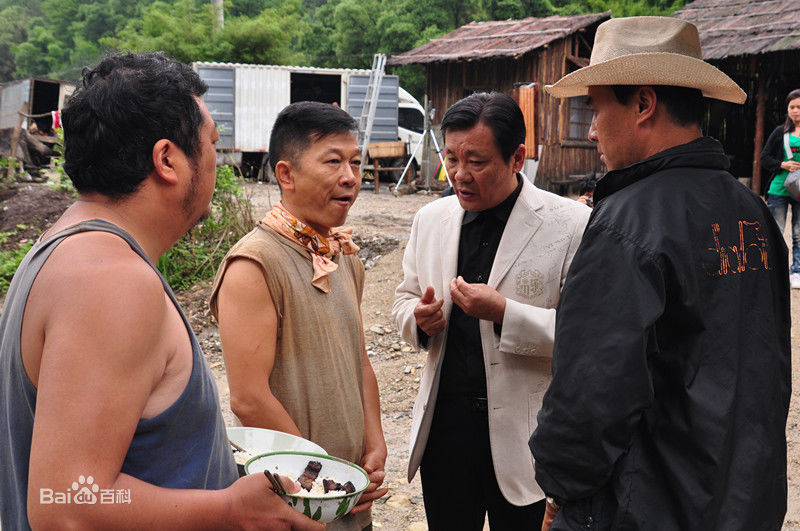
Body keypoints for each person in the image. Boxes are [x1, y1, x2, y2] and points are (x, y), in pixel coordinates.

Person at [0, 52, 321, 530]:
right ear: (168, 159)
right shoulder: (109, 280)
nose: (216, 157)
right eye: (212, 142)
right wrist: (231, 510)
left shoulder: (66, 250)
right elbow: (65, 505)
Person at [529, 17, 790, 531]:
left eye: (598, 108)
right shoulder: (752, 212)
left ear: (644, 104)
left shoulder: (628, 223)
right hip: (744, 498)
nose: (592, 129)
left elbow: (591, 396)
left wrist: (560, 488)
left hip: (648, 507)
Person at [392, 92, 591, 530]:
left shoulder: (569, 224)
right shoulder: (430, 219)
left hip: (525, 435)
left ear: (517, 157)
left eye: (477, 162)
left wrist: (505, 312)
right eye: (451, 159)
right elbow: (403, 300)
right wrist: (419, 321)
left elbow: (587, 333)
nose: (459, 175)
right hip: (445, 431)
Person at [210, 101, 388, 531]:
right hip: (294, 503)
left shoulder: (344, 257)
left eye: (355, 162)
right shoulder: (254, 264)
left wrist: (376, 440)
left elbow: (358, 359)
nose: (350, 177)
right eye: (333, 162)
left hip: (347, 497)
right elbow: (248, 399)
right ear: (286, 174)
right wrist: (328, 475)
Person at [760, 88, 800, 289]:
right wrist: (782, 165)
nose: (795, 111)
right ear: (787, 109)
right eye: (792, 107)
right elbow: (764, 158)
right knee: (775, 231)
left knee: (798, 233)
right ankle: (774, 271)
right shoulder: (779, 132)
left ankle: (797, 271)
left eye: (799, 107)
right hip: (779, 188)